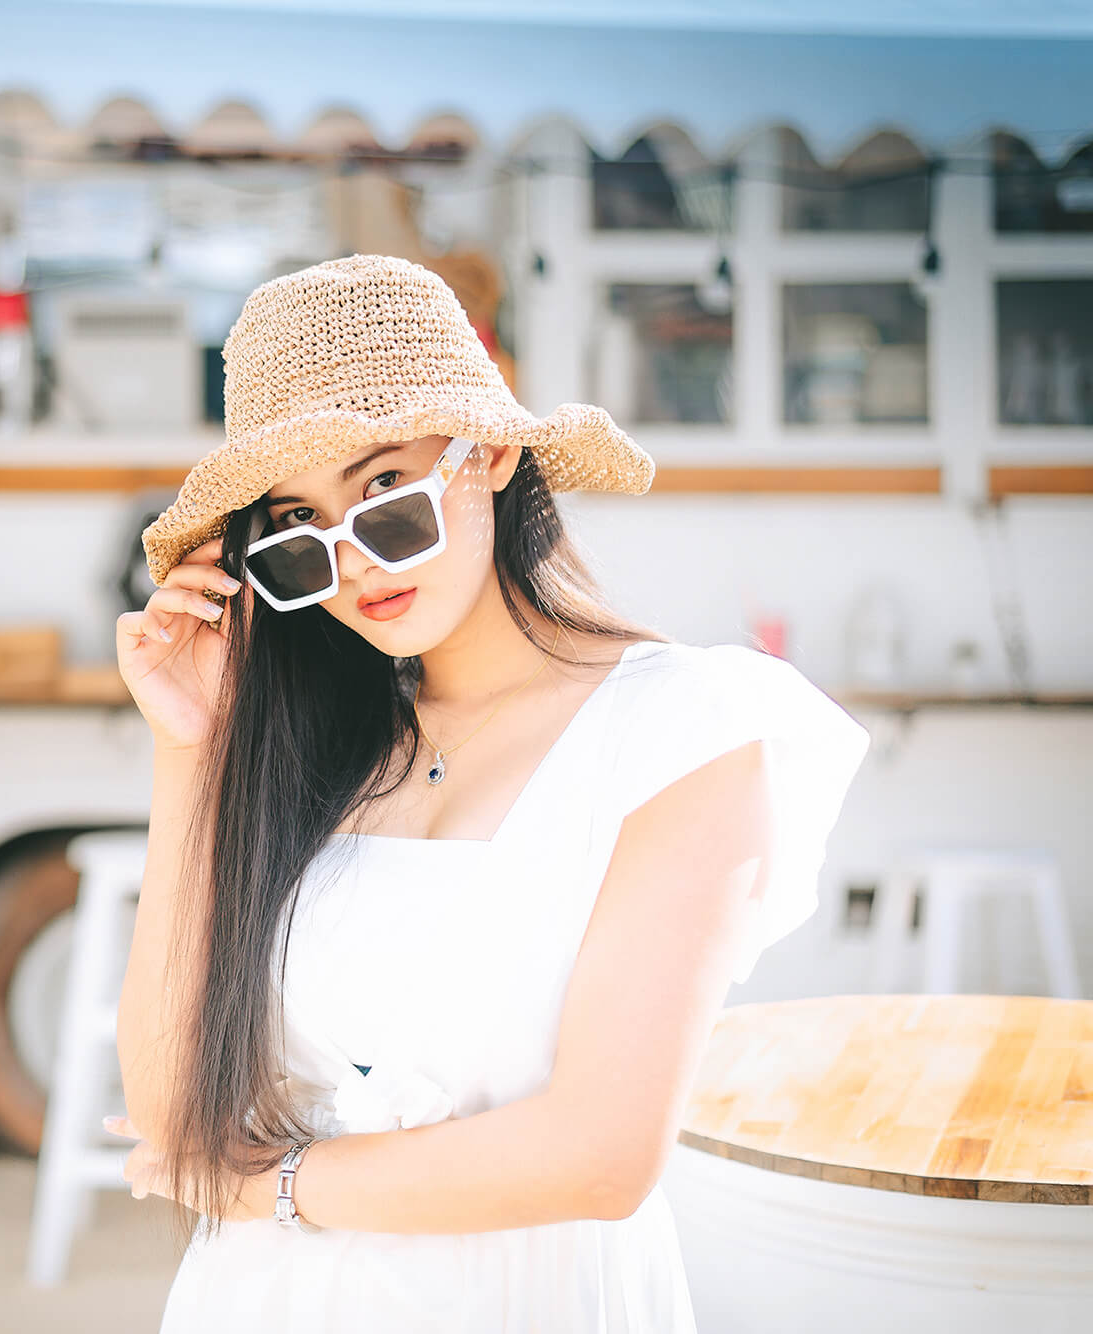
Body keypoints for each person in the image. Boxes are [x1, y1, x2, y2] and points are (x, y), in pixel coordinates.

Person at [106, 254, 871, 1332]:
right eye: (299, 532)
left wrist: (262, 1188)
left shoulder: (678, 730)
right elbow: (168, 1104)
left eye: (386, 495)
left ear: (494, 452)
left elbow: (600, 1155)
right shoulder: (312, 752)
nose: (357, 561)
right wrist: (189, 748)